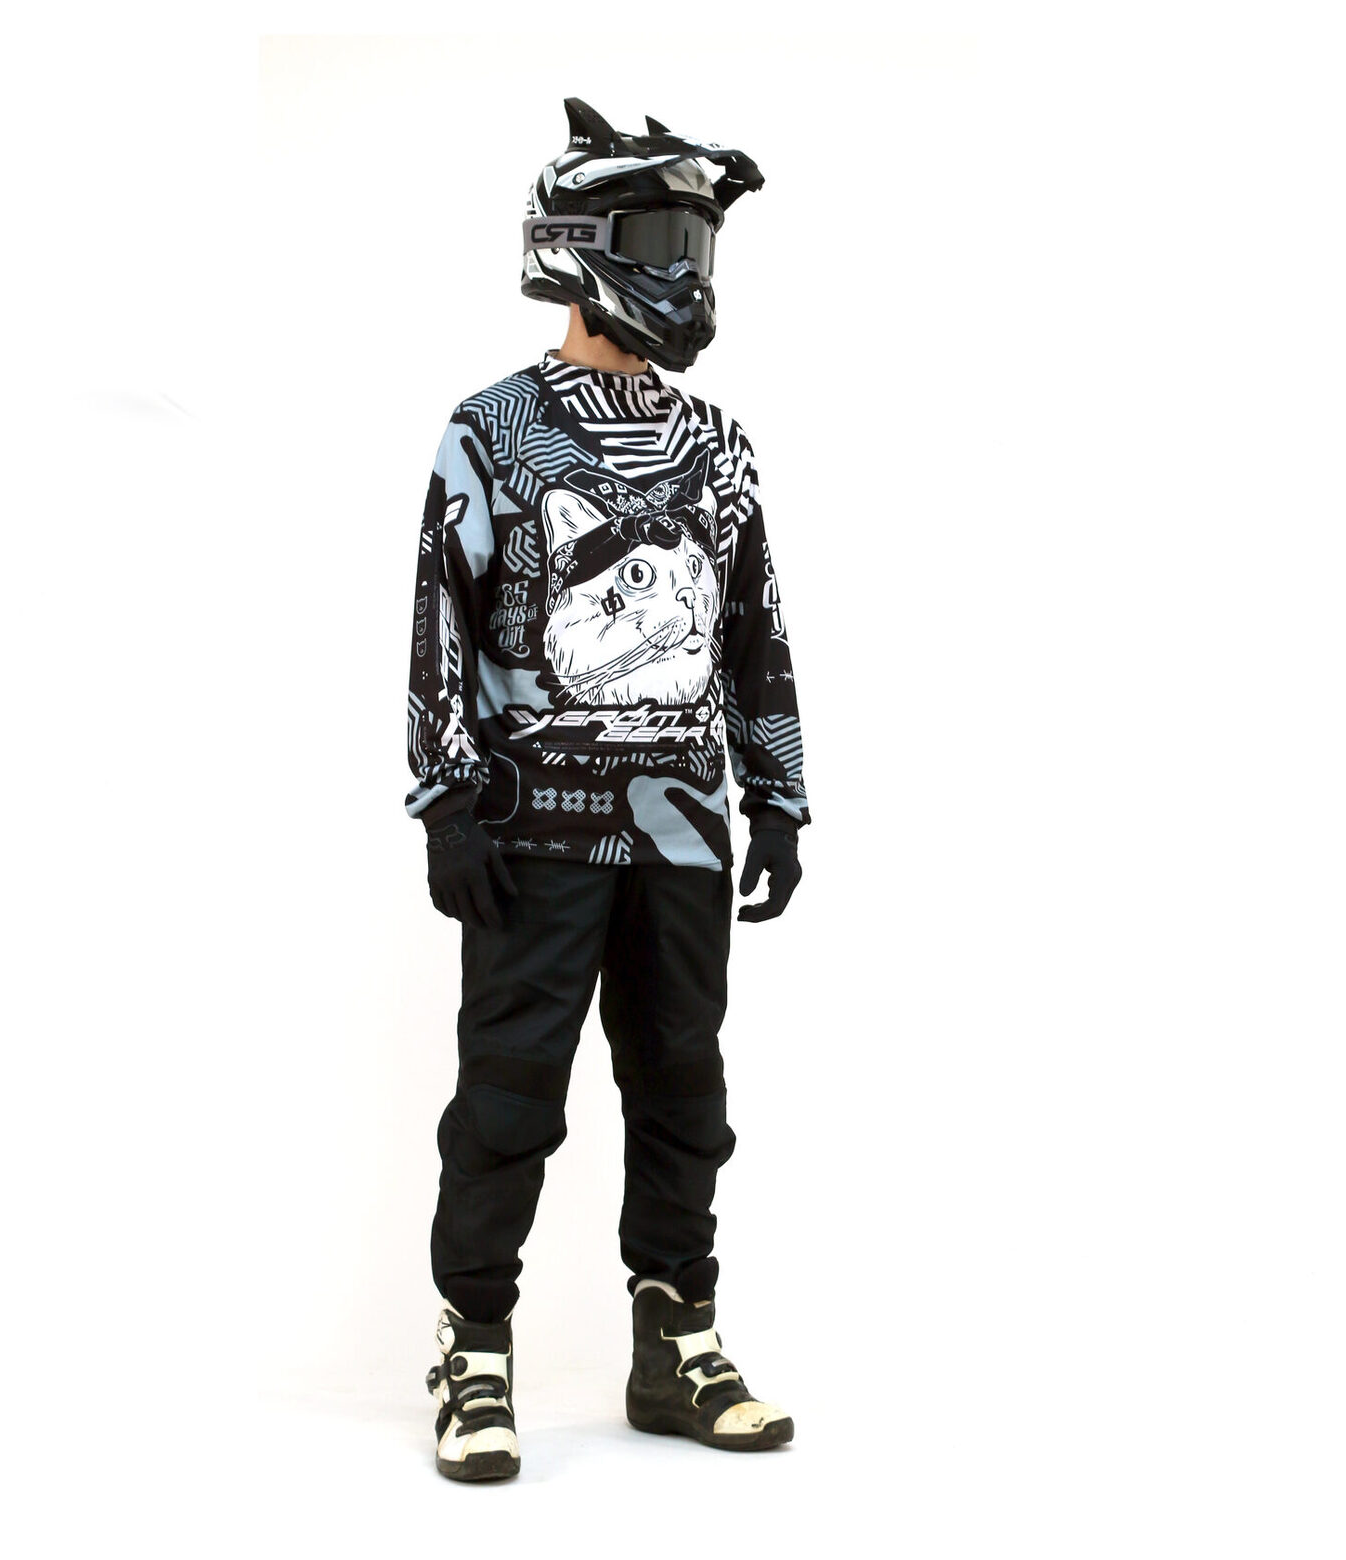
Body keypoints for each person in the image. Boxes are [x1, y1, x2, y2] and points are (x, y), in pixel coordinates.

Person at [406, 98, 810, 1481]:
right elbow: (441, 616)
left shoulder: (719, 444)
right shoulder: (492, 431)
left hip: (684, 824)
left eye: (696, 241)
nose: (683, 269)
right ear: (578, 248)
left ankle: (675, 1341)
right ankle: (472, 1349)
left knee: (685, 1085)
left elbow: (752, 623)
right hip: (535, 827)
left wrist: (780, 791)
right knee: (510, 1090)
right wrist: (446, 796)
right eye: (657, 238)